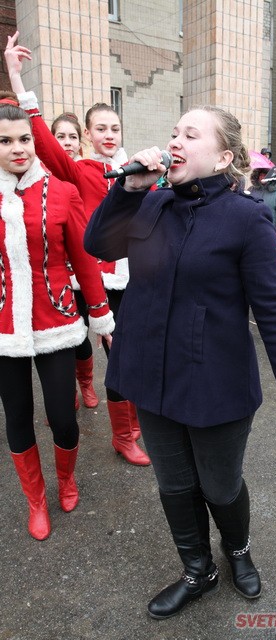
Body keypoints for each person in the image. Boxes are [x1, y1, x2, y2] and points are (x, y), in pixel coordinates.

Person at [84, 106, 276, 619]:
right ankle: (198, 570)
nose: (175, 140)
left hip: (215, 384)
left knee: (219, 484)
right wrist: (127, 189)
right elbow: (97, 243)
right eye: (173, 131)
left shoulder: (247, 216)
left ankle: (236, 551)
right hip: (151, 375)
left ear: (223, 157)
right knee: (174, 482)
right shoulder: (153, 203)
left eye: (190, 134)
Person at [5, 32, 150, 465]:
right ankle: (80, 390)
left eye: (115, 128)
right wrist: (16, 76)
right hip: (84, 279)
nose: (109, 134)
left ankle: (124, 434)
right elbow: (43, 143)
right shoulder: (79, 171)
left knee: (123, 357)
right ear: (88, 135)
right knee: (81, 350)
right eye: (101, 128)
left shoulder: (138, 172)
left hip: (128, 280)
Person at [0, 94, 115, 540]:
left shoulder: (62, 192)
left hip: (57, 320)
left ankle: (66, 479)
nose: (18, 148)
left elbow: (85, 263)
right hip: (5, 326)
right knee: (17, 417)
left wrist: (103, 319)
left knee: (63, 417)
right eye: (6, 141)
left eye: (25, 138)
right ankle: (36, 501)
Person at [50, 110, 100, 409]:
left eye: (72, 137)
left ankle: (86, 383)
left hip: (79, 266)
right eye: (60, 137)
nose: (66, 142)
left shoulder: (81, 171)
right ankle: (64, 394)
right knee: (55, 341)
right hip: (50, 270)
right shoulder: (35, 173)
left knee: (80, 333)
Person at [247, 168, 276, 236]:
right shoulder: (251, 190)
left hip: (270, 229)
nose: (262, 177)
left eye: (265, 175)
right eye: (261, 175)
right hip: (252, 228)